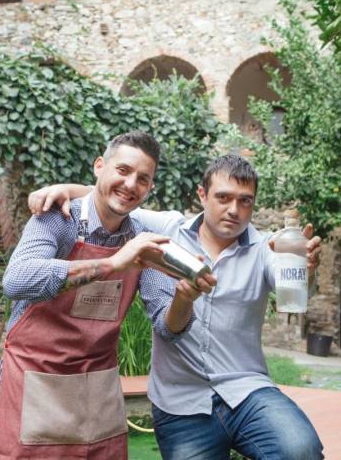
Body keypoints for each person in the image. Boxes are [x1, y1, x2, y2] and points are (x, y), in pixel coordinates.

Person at [29, 154, 325, 460]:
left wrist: (307, 268)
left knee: (301, 450)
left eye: (245, 201)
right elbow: (118, 199)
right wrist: (63, 188)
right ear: (202, 195)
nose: (234, 210)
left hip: (246, 390)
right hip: (180, 402)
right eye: (223, 198)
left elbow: (288, 280)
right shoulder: (168, 228)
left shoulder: (267, 248)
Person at [0, 131, 215, 460]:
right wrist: (113, 263)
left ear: (149, 188)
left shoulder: (142, 237)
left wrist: (185, 298)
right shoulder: (58, 218)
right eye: (123, 171)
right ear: (100, 166)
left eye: (142, 179)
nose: (130, 185)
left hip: (98, 387)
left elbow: (167, 325)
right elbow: (17, 280)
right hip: (37, 379)